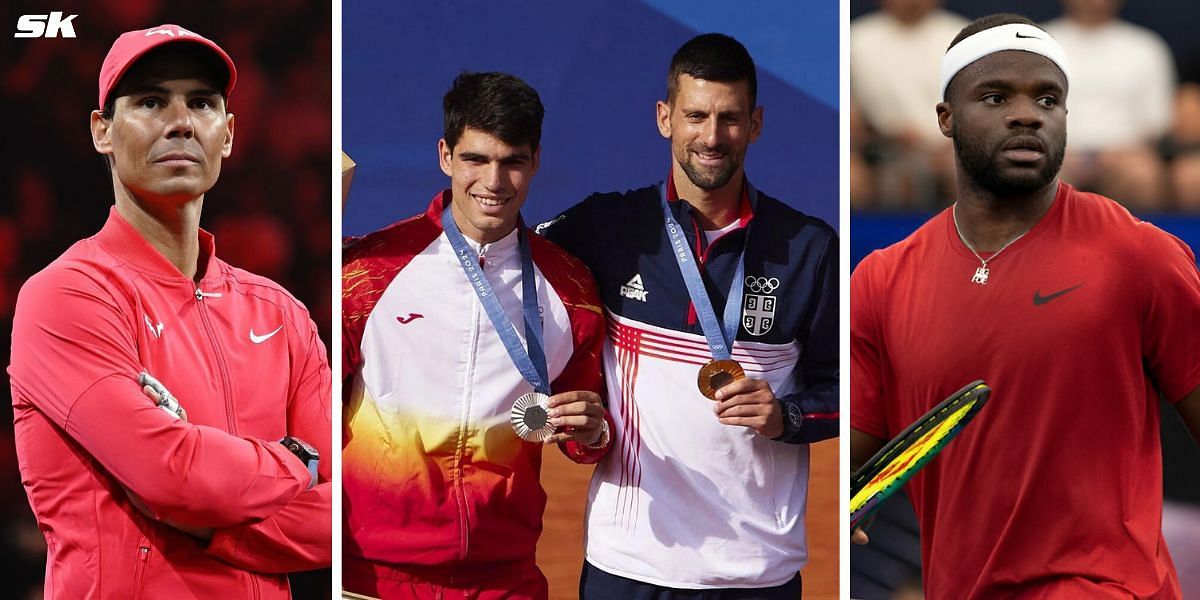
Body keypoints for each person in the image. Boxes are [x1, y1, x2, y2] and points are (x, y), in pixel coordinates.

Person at [850, 13, 1200, 599]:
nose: (1026, 113)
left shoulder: (1141, 255)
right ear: (946, 118)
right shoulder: (882, 281)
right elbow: (856, 465)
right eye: (994, 96)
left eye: (1048, 98)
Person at [8, 24, 332, 599]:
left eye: (201, 103)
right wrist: (297, 462)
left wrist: (214, 527)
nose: (180, 121)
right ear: (101, 131)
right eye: (152, 101)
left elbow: (346, 509)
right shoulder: (65, 296)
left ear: (228, 134)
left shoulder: (282, 313)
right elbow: (171, 475)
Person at [538, 33, 838, 597]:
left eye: (730, 118)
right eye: (696, 115)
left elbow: (843, 388)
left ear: (755, 124)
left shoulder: (808, 247)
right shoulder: (605, 227)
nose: (712, 136)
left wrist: (786, 417)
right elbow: (506, 267)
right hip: (627, 566)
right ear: (664, 118)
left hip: (757, 571)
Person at [341, 71, 613, 599]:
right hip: (371, 577)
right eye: (476, 159)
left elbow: (588, 435)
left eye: (512, 161)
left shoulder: (571, 287)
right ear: (445, 156)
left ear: (535, 162)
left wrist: (591, 430)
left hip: (503, 581)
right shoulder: (368, 273)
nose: (493, 181)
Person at [1044, 0, 1176, 210]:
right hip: (1057, 152)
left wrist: (1123, 153)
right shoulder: (1042, 42)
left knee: (1143, 176)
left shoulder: (1146, 47)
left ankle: (1140, 242)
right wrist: (1059, 151)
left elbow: (1158, 120)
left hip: (1126, 155)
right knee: (1041, 172)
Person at [850, 0, 968, 208]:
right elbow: (851, 111)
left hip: (953, 145)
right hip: (881, 148)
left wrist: (953, 142)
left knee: (965, 174)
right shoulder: (856, 39)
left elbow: (976, 102)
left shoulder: (964, 37)